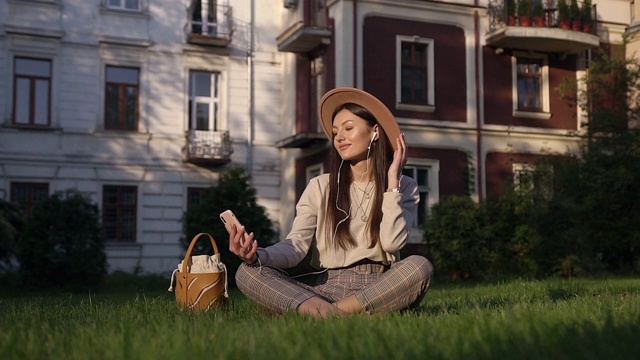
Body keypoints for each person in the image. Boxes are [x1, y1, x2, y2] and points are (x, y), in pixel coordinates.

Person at [229, 87, 433, 318]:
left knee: (419, 266)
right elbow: (295, 246)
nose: (339, 137)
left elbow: (392, 243)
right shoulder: (320, 186)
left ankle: (318, 313)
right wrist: (257, 256)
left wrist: (392, 181)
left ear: (375, 132)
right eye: (335, 132)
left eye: (348, 128)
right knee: (247, 272)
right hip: (323, 287)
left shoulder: (403, 186)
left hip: (379, 285)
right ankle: (334, 312)